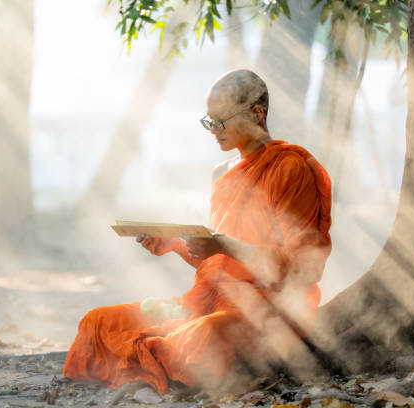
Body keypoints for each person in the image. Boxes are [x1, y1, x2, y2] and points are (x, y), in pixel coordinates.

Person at [63, 69, 332, 394]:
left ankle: (162, 366)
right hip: (209, 300)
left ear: (256, 114)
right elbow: (216, 264)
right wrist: (176, 244)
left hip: (265, 308)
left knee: (202, 335)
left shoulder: (289, 167)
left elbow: (301, 268)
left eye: (220, 121)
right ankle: (162, 364)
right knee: (99, 321)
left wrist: (225, 247)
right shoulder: (223, 173)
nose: (213, 131)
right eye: (208, 121)